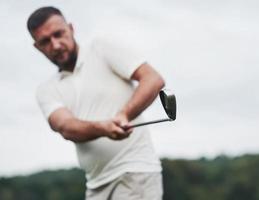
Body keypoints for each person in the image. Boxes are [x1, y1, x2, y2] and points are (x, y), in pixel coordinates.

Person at [27, 6, 165, 200]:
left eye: (59, 34)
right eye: (45, 41)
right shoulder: (46, 90)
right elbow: (66, 127)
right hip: (95, 185)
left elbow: (152, 79)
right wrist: (103, 128)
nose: (56, 45)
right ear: (37, 47)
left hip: (134, 172)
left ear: (71, 29)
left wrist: (123, 114)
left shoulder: (101, 48)